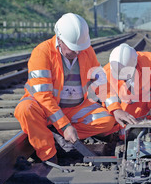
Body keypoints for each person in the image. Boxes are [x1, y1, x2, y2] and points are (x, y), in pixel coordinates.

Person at [14, 13, 115, 162]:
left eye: (80, 48)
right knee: (25, 109)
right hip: (44, 110)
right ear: (59, 39)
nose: (78, 52)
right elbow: (43, 97)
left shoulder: (86, 51)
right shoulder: (42, 53)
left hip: (74, 108)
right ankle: (48, 154)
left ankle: (55, 134)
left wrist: (116, 107)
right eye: (73, 48)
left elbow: (101, 81)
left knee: (107, 121)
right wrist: (65, 125)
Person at [103, 43, 151, 135]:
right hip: (130, 102)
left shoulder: (148, 60)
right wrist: (116, 110)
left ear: (135, 65)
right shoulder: (107, 70)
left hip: (150, 96)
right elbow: (107, 94)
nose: (123, 79)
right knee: (126, 130)